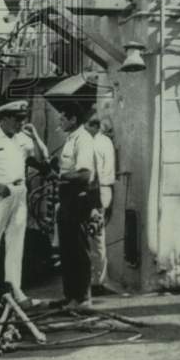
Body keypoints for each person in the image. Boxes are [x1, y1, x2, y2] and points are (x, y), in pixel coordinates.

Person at [0, 100, 42, 306]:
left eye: (23, 119)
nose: (21, 123)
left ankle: (15, 290)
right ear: (5, 119)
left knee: (16, 242)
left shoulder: (22, 139)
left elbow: (40, 157)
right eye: (18, 119)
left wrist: (35, 137)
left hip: (19, 193)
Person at [55, 103, 100, 307]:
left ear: (73, 119)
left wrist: (60, 176)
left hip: (78, 199)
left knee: (79, 250)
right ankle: (71, 296)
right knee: (67, 249)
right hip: (66, 199)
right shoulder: (70, 139)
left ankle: (83, 298)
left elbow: (84, 174)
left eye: (63, 118)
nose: (60, 121)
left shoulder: (83, 140)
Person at [85, 114, 116, 294]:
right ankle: (98, 278)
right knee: (97, 236)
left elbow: (93, 172)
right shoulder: (106, 142)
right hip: (105, 189)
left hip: (96, 190)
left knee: (94, 236)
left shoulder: (95, 143)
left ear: (94, 127)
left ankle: (97, 280)